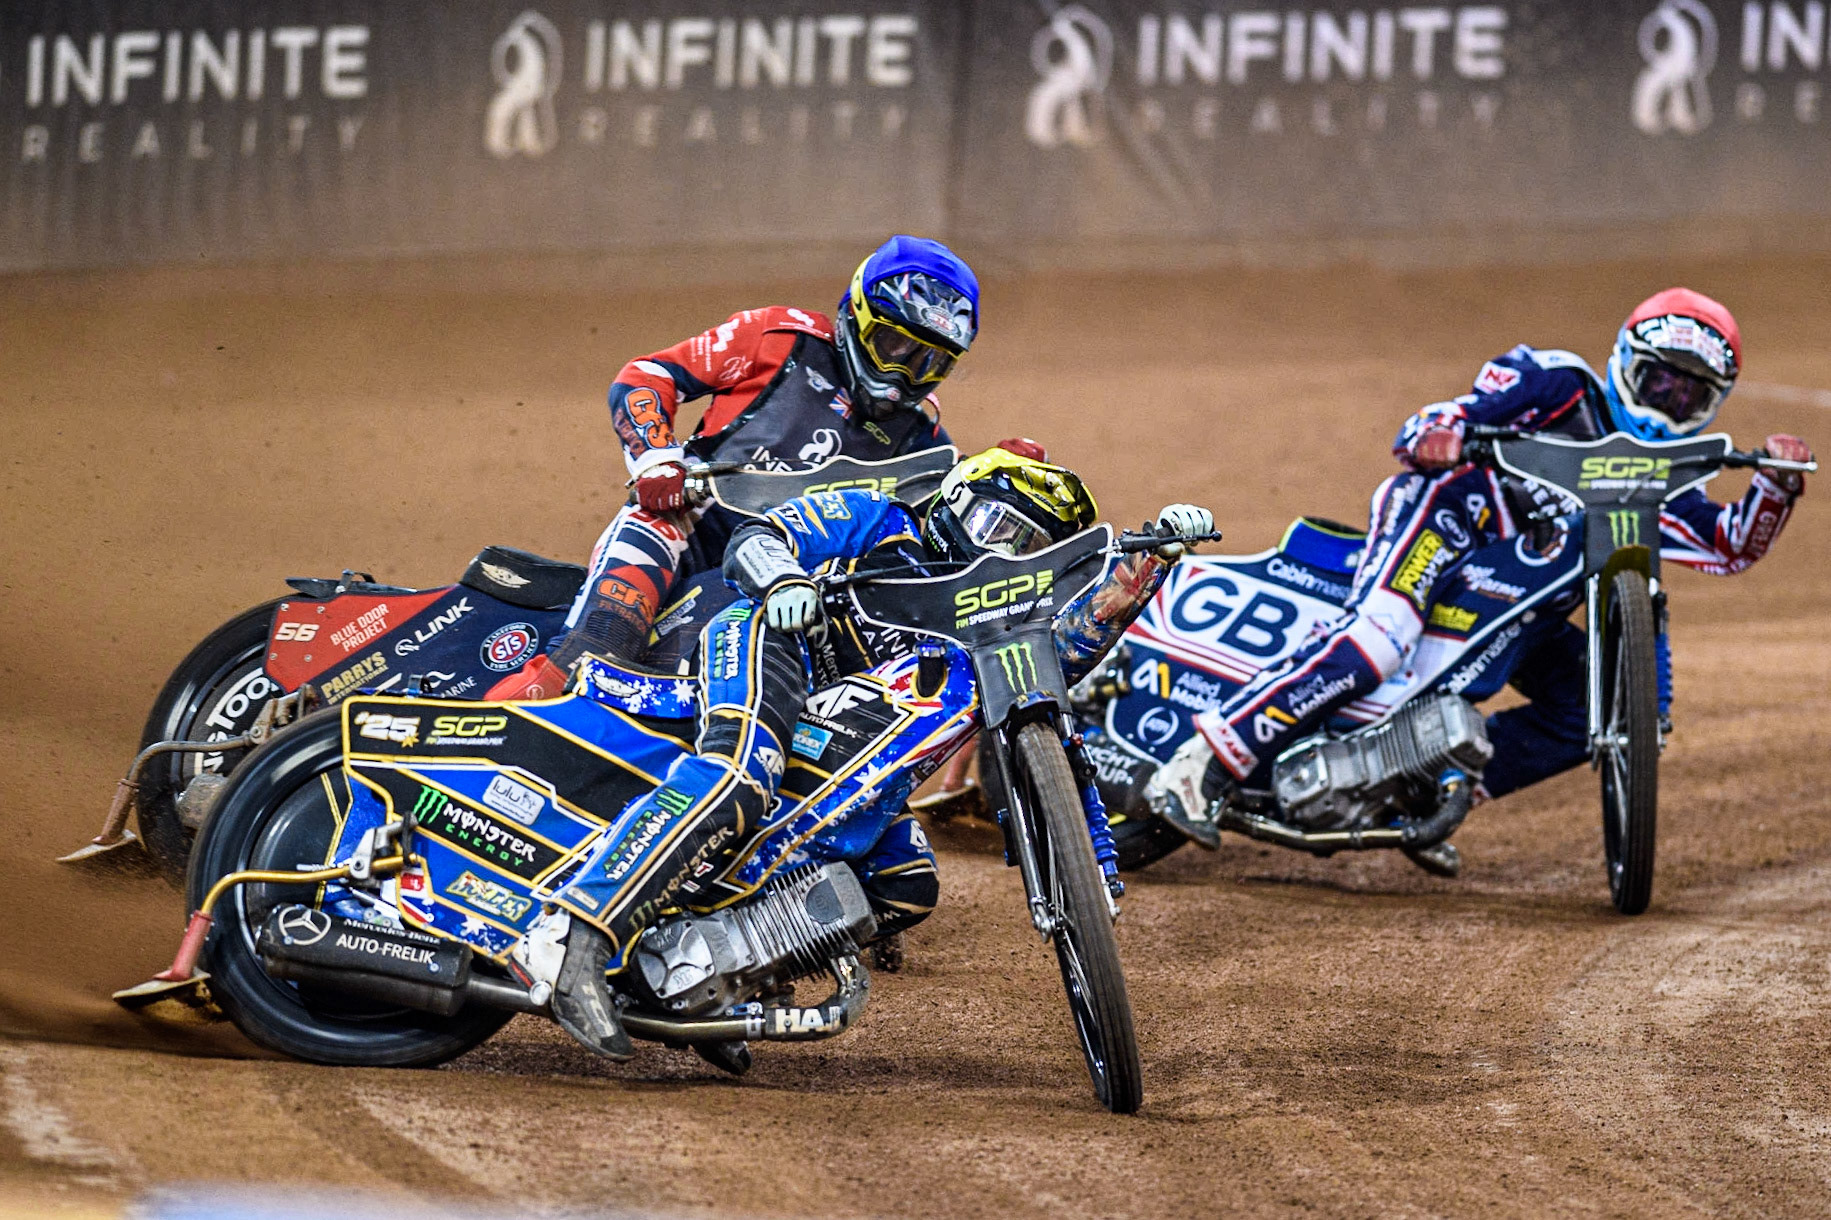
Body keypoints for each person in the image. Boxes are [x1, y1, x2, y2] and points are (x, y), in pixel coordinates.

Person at [536, 445, 1214, 1059]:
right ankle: (578, 937)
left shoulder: (996, 626)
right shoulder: (881, 517)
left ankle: (704, 980)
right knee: (743, 775)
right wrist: (783, 581)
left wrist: (1144, 566)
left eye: (1027, 548)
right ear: (953, 503)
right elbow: (760, 534)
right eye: (996, 529)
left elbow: (1066, 648)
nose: (1003, 554)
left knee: (904, 886)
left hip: (849, 743)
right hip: (772, 642)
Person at [1146, 287, 1814, 848]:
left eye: (1688, 395)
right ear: (1623, 364)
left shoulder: (1659, 482)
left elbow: (1728, 545)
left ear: (1711, 405)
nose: (1668, 400)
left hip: (1521, 604)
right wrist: (1442, 434)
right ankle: (1200, 765)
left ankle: (1416, 787)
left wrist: (1774, 489)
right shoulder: (1560, 385)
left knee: (1589, 710)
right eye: (1658, 380)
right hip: (1445, 526)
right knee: (1376, 643)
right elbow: (1445, 417)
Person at [489, 235, 979, 700]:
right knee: (598, 648)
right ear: (856, 314)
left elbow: (943, 540)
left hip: (791, 580)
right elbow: (648, 375)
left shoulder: (924, 441)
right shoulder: (778, 338)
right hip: (683, 526)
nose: (902, 373)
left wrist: (999, 479)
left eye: (929, 361)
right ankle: (492, 729)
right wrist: (657, 460)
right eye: (895, 346)